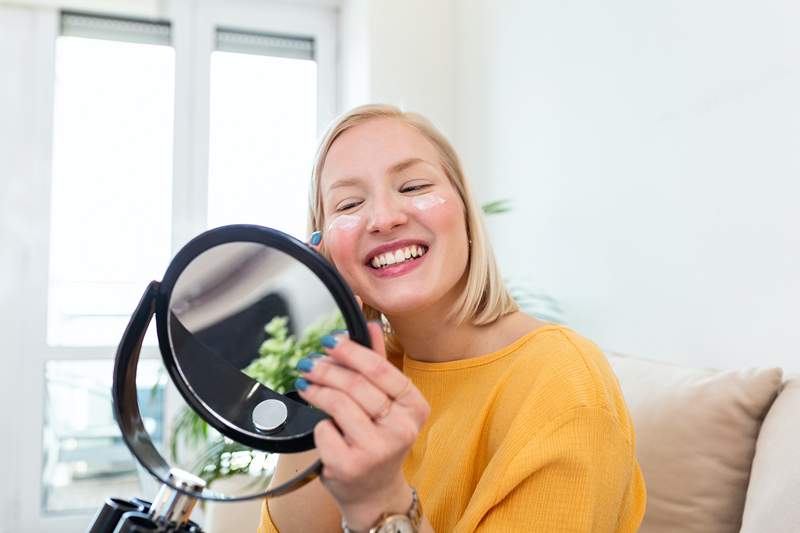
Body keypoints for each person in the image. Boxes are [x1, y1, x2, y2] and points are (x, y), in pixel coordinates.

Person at [258, 104, 646, 532]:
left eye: (413, 185)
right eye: (349, 203)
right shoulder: (362, 373)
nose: (385, 218)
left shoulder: (561, 381)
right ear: (325, 248)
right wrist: (321, 389)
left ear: (464, 212)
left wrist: (382, 503)